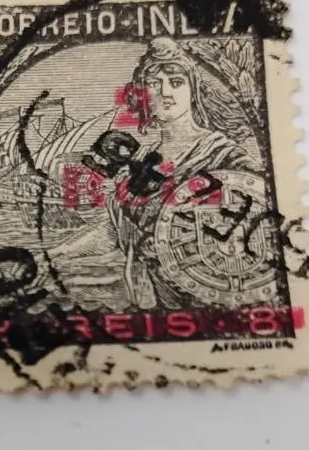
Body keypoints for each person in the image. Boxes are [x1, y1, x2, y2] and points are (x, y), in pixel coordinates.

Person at [102, 36, 265, 311]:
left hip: (211, 292)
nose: (166, 92)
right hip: (154, 294)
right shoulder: (139, 161)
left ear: (193, 91)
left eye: (177, 82)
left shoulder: (223, 154)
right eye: (155, 84)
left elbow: (256, 210)